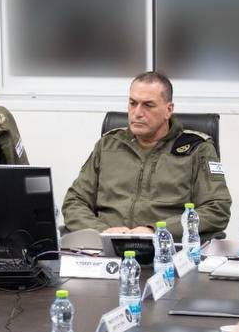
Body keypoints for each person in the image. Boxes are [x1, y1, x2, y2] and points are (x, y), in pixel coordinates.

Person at [62, 71, 230, 236]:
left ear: (168, 110)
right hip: (107, 244)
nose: (137, 113)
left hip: (165, 246)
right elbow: (74, 201)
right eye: (133, 103)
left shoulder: (197, 149)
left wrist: (157, 230)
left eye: (148, 105)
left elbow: (217, 209)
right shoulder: (108, 145)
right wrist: (101, 231)